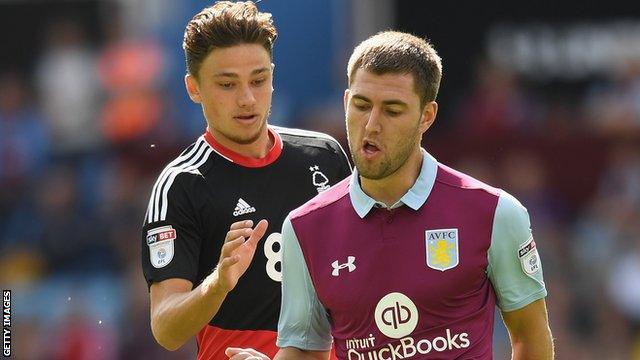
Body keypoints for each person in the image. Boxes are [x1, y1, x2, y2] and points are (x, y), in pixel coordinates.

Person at [272, 31, 554, 359]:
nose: (372, 125)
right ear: (346, 102)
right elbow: (304, 350)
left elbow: (529, 336)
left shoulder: (496, 213)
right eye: (362, 106)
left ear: (427, 116)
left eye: (392, 110)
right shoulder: (304, 228)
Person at [140, 2, 352, 359]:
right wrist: (218, 284)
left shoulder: (325, 157)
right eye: (227, 84)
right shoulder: (183, 184)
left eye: (259, 80)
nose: (247, 99)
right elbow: (165, 328)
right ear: (194, 88)